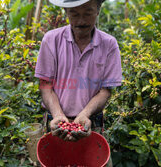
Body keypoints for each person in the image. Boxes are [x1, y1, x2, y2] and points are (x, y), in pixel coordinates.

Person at [35, 0, 122, 165]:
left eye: (88, 12)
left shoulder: (109, 44)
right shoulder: (51, 40)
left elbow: (105, 90)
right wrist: (59, 115)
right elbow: (46, 86)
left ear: (98, 11)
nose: (81, 21)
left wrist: (84, 114)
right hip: (56, 122)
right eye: (74, 13)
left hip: (91, 122)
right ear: (66, 12)